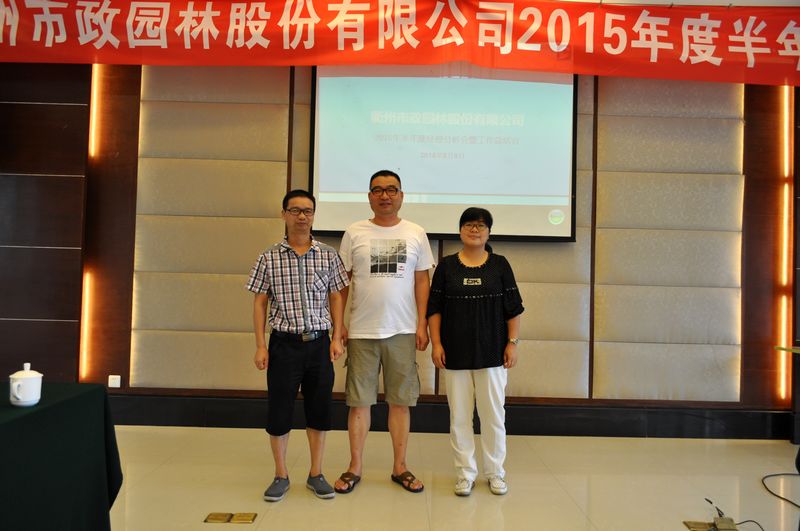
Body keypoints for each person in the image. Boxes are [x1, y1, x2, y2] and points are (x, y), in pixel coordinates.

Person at [333, 170, 435, 494]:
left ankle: (400, 467)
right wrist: (338, 325)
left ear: (401, 196)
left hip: (402, 330)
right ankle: (354, 467)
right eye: (378, 190)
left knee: (400, 402)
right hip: (361, 331)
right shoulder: (354, 232)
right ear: (369, 197)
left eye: (392, 190)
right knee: (359, 403)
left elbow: (422, 280)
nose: (385, 195)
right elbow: (341, 283)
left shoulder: (416, 232)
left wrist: (422, 323)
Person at [245, 189, 349, 502]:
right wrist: (260, 345)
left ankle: (316, 473)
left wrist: (336, 337)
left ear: (314, 215)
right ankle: (281, 474)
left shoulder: (328, 254)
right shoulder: (268, 257)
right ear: (284, 214)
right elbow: (260, 302)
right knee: (279, 411)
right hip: (283, 345)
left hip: (319, 344)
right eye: (295, 210)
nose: (302, 216)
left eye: (307, 211)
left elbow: (336, 296)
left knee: (320, 410)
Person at [426, 207, 524, 497]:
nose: (474, 230)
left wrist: (512, 342)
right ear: (460, 231)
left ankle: (495, 473)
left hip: (493, 353)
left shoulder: (500, 265)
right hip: (454, 353)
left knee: (493, 415)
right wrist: (436, 344)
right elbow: (434, 309)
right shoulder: (446, 266)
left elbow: (513, 309)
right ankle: (465, 474)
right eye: (469, 224)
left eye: (481, 225)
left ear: (488, 232)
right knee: (459, 417)